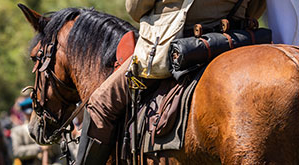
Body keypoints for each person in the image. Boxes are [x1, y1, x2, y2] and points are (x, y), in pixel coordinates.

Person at [76, 0, 266, 164]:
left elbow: (135, 8)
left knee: (101, 104)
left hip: (178, 45)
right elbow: (257, 7)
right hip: (234, 42)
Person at [11, 97, 63, 165]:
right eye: (28, 113)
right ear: (23, 112)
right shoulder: (17, 131)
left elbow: (60, 153)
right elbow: (16, 152)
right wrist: (39, 148)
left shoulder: (50, 130)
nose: (30, 115)